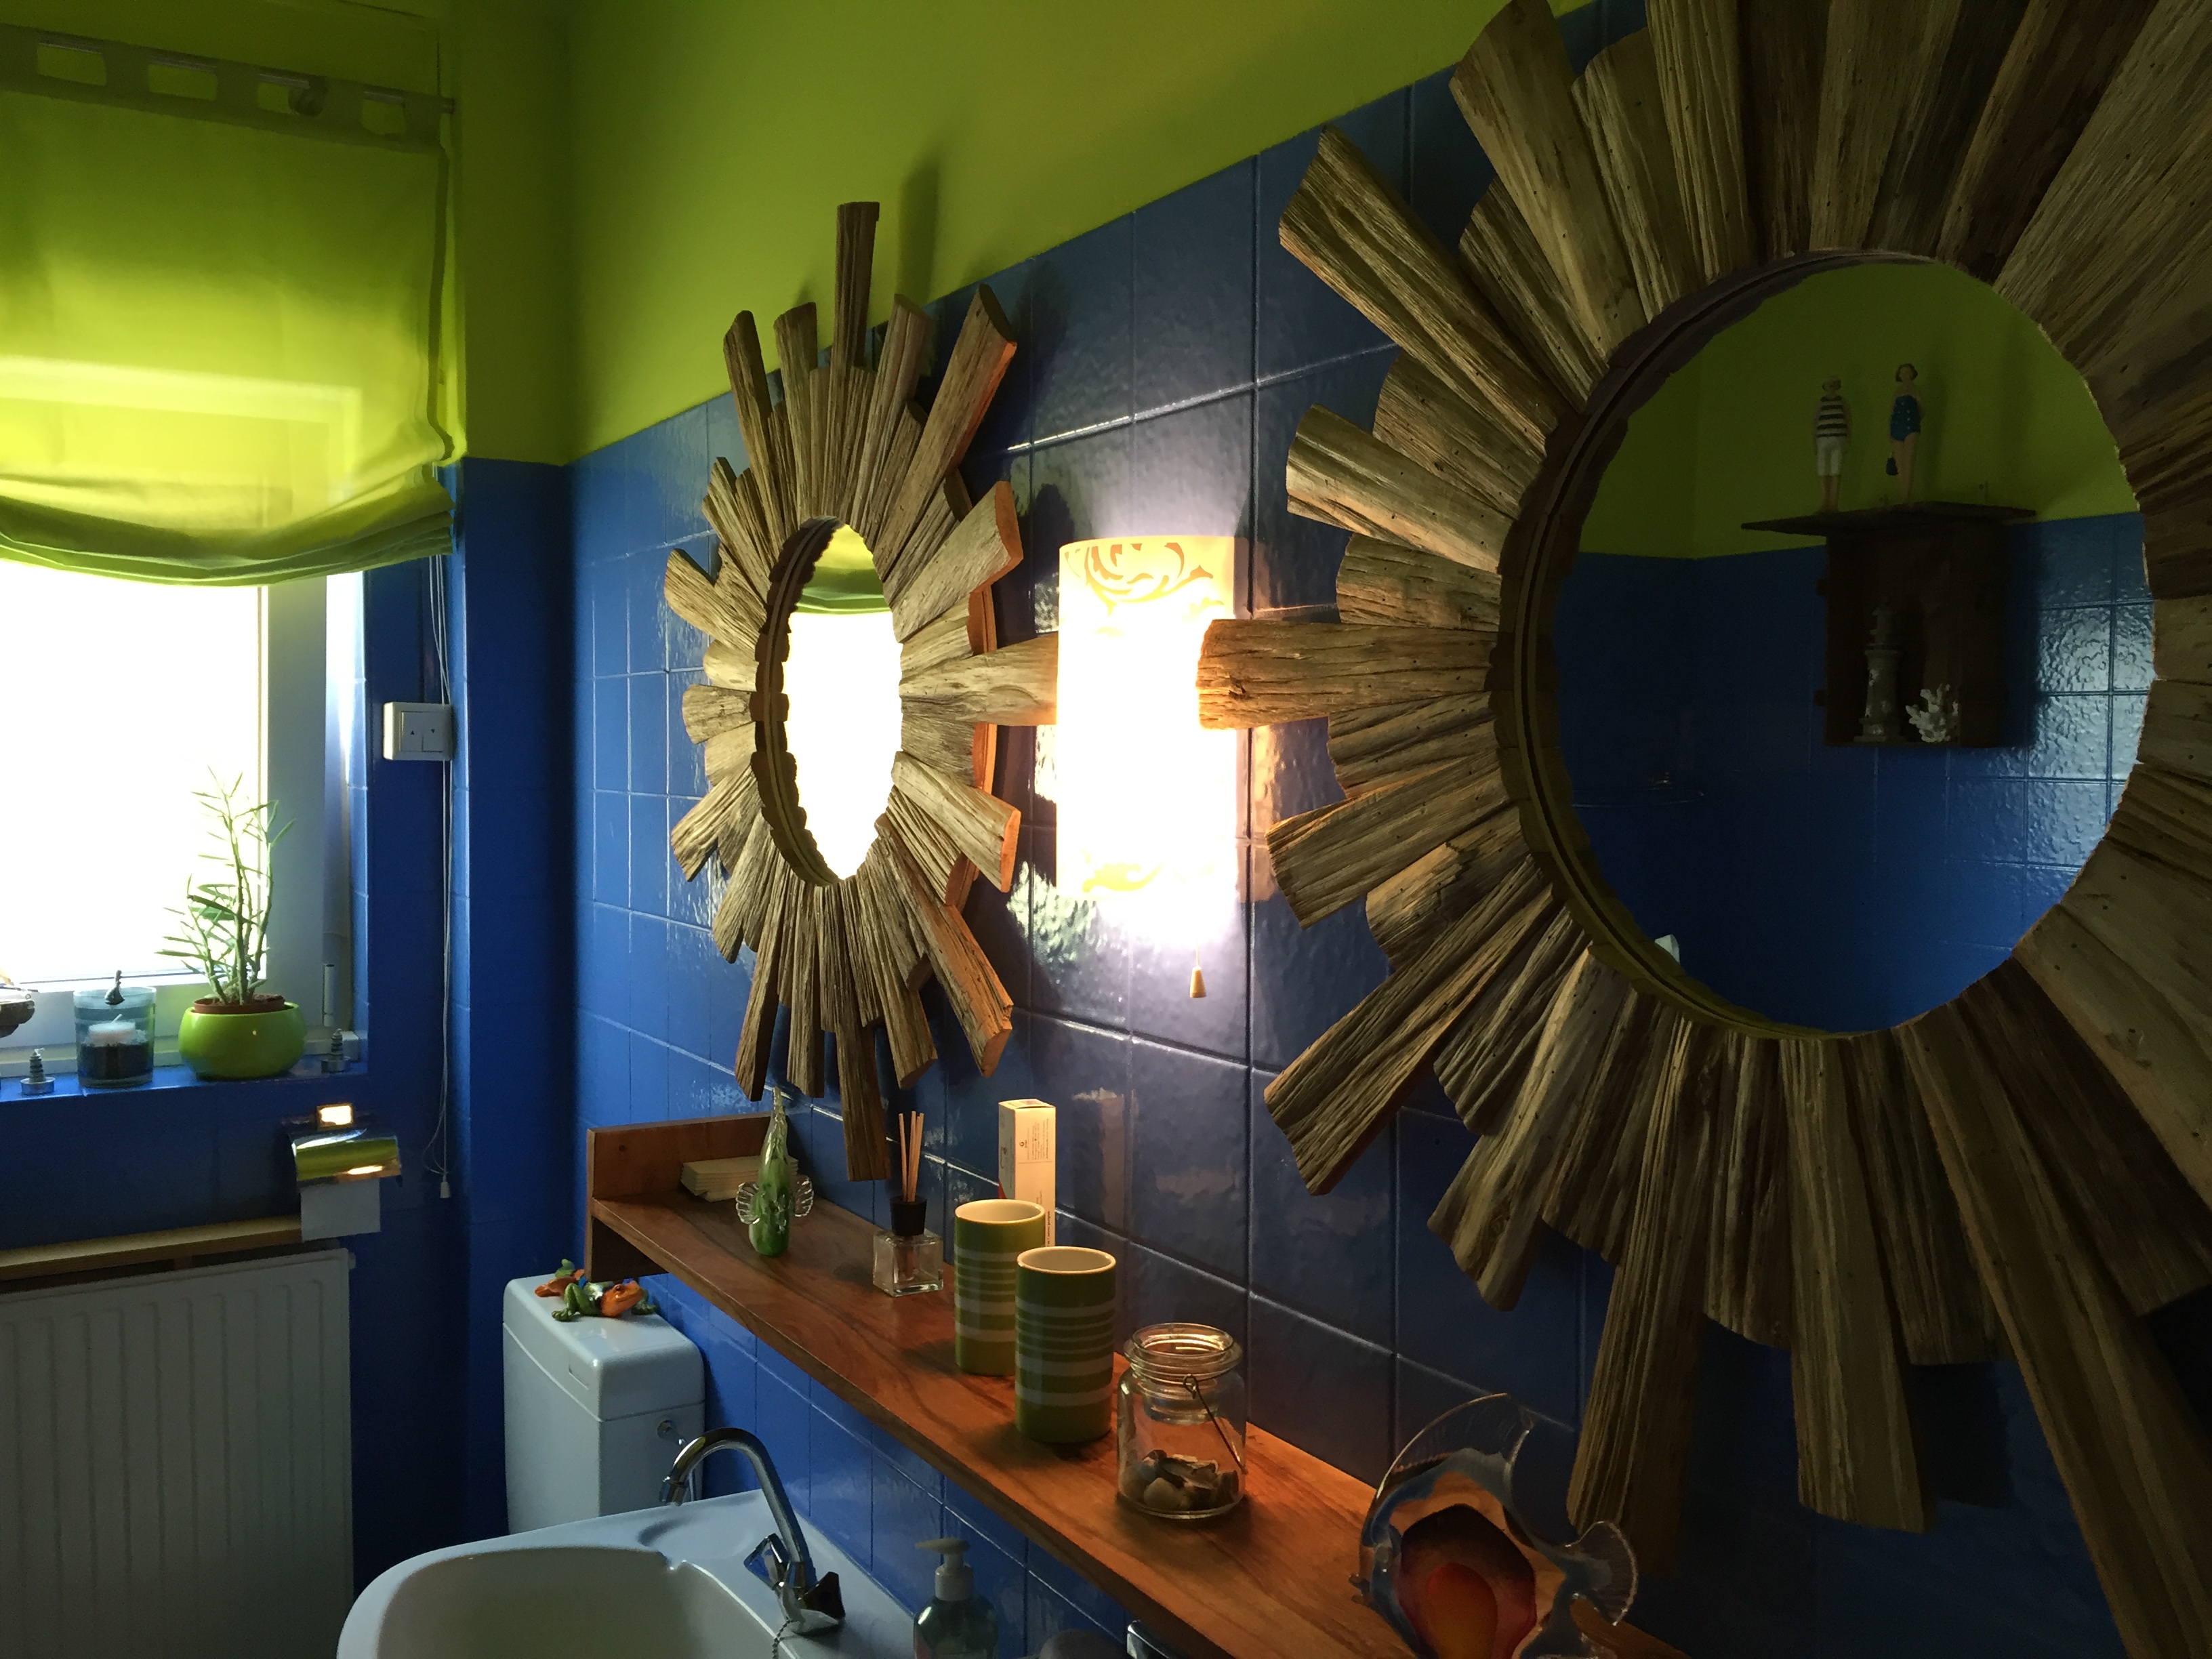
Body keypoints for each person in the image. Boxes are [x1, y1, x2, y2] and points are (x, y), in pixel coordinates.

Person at [1814, 376, 1849, 512]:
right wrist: (1814, 440)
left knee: (1836, 471)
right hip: (1822, 439)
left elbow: (1848, 419)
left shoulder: (1842, 401)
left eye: (1834, 384)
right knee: (1823, 471)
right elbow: (1815, 421)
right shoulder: (1821, 402)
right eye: (1829, 383)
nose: (1832, 386)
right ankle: (1825, 503)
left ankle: (1834, 504)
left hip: (1838, 439)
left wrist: (1848, 437)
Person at [1887, 363, 1922, 502]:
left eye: (1908, 372)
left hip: (1910, 426)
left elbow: (1922, 408)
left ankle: (1907, 495)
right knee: (1899, 463)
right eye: (1902, 373)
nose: (1905, 375)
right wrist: (1890, 430)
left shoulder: (1915, 390)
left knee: (1908, 460)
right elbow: (1892, 412)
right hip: (1897, 427)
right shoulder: (1897, 392)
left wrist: (1915, 419)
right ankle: (1902, 493)